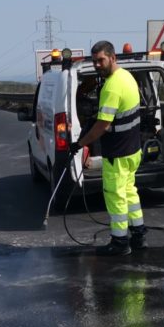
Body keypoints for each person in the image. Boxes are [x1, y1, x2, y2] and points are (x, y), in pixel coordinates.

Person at [69, 41, 147, 256]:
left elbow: (102, 125)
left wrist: (80, 143)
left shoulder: (111, 86)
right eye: (94, 61)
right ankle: (139, 234)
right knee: (130, 192)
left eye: (100, 60)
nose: (96, 65)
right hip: (133, 150)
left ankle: (120, 242)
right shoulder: (127, 77)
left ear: (113, 58)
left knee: (115, 196)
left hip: (118, 154)